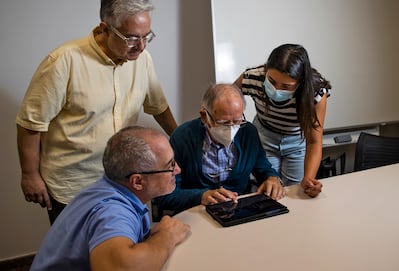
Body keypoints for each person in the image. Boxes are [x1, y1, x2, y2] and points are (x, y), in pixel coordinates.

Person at [16, 0, 178, 224]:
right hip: (75, 184)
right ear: (105, 28)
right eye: (131, 38)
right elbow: (30, 123)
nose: (141, 46)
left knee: (128, 247)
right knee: (79, 255)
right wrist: (30, 175)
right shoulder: (64, 61)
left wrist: (180, 141)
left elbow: (158, 107)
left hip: (125, 180)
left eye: (147, 36)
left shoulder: (142, 60)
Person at [30, 126, 190, 271]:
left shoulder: (105, 188)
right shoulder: (112, 210)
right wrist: (167, 236)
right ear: (138, 181)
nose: (177, 169)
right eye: (170, 165)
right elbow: (120, 268)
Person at [153, 83, 286, 216]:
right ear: (204, 116)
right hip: (197, 213)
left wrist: (272, 178)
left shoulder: (248, 133)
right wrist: (201, 196)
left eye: (237, 121)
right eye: (224, 123)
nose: (231, 129)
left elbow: (264, 169)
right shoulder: (182, 138)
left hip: (238, 211)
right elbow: (165, 196)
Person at [234, 43, 332, 197]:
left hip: (296, 141)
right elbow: (227, 100)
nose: (277, 90)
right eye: (272, 81)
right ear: (266, 69)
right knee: (268, 192)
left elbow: (314, 141)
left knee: (296, 192)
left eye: (286, 86)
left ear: (301, 82)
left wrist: (309, 178)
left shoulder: (315, 91)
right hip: (263, 137)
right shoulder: (253, 77)